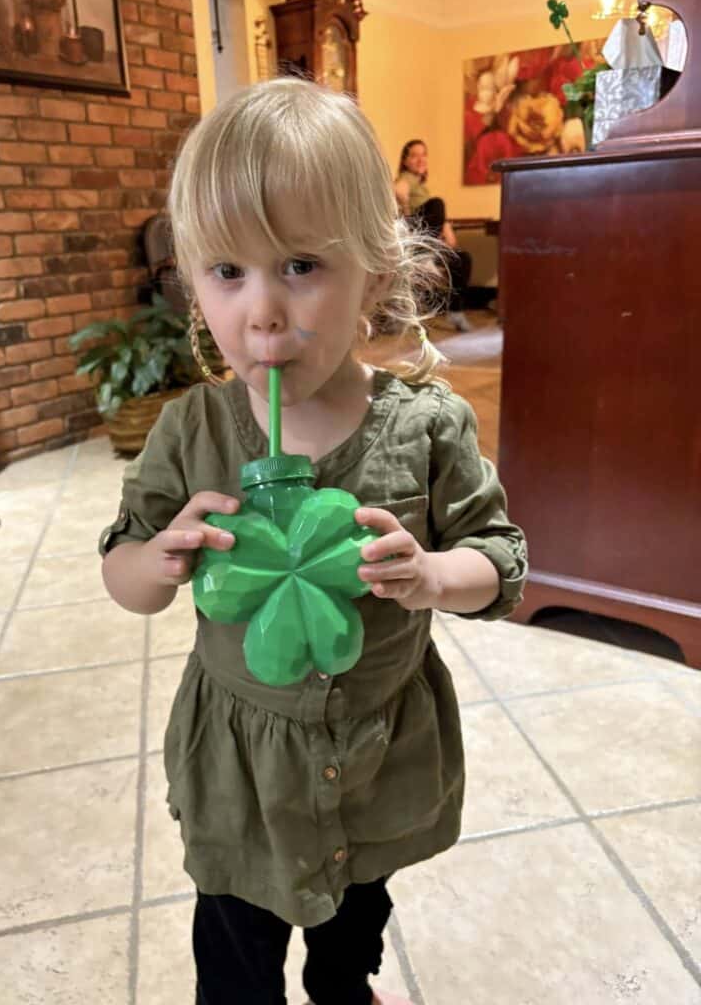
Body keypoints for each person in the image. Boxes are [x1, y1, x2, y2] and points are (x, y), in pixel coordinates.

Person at [99, 78, 527, 1005]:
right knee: (236, 940)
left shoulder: (426, 427)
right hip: (241, 765)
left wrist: (432, 575)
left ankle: (345, 987)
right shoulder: (191, 432)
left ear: (375, 271)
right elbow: (124, 576)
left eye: (299, 265)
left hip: (377, 750)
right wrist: (158, 556)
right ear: (193, 283)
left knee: (355, 909)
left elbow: (498, 563)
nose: (261, 312)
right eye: (226, 272)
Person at [394, 139, 473, 332]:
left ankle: (455, 311)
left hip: (424, 234)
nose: (420, 159)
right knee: (438, 203)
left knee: (462, 258)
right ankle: (423, 253)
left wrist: (446, 227)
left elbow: (436, 216)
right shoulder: (405, 178)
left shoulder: (423, 188)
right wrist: (403, 202)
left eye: (423, 154)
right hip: (410, 232)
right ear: (405, 161)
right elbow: (398, 190)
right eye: (414, 155)